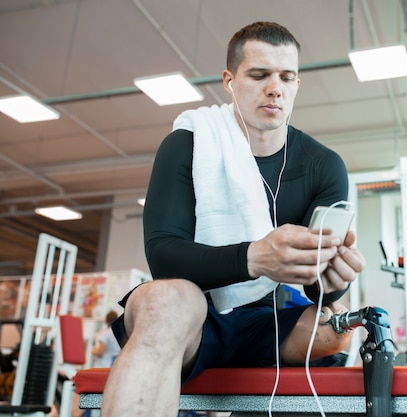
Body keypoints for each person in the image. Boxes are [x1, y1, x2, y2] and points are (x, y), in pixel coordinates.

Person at [100, 21, 365, 417]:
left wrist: (334, 281)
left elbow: (316, 288)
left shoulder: (324, 166)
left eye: (286, 77)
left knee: (333, 332)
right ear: (229, 80)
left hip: (273, 319)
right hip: (194, 317)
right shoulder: (188, 143)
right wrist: (255, 257)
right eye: (259, 75)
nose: (274, 87)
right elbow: (163, 256)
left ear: (296, 84)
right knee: (167, 299)